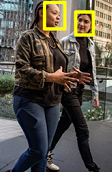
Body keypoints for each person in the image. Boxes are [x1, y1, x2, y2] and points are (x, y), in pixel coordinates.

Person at [7, 1, 89, 172]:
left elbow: (58, 71)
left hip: (52, 101)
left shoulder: (55, 41)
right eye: (54, 13)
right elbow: (22, 69)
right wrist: (51, 77)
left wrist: (73, 75)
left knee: (43, 154)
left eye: (59, 14)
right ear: (42, 14)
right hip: (29, 99)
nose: (58, 17)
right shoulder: (28, 37)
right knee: (38, 149)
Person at [47, 14, 100, 172]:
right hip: (67, 90)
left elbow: (92, 72)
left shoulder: (91, 45)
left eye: (86, 21)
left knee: (63, 124)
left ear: (90, 26)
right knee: (82, 128)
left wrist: (95, 94)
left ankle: (44, 152)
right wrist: (71, 76)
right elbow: (56, 69)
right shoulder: (64, 42)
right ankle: (92, 168)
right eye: (79, 20)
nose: (82, 24)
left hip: (79, 92)